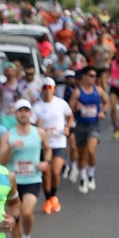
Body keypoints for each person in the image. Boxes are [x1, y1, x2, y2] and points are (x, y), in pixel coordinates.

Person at [0, 99, 48, 238]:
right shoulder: (8, 135)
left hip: (32, 180)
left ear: (30, 113)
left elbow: (47, 149)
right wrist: (11, 147)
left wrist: (45, 162)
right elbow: (2, 161)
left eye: (26, 110)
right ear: (16, 114)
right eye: (20, 110)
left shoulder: (39, 133)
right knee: (15, 218)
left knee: (27, 213)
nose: (23, 113)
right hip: (13, 182)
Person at [32, 76, 73, 214]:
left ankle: (53, 196)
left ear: (54, 89)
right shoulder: (37, 107)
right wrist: (37, 126)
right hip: (44, 145)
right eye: (45, 88)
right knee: (46, 174)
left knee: (56, 172)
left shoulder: (61, 103)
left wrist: (68, 127)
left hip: (59, 142)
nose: (48, 90)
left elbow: (70, 115)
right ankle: (49, 200)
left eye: (51, 88)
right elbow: (31, 124)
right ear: (42, 90)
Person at [68, 67, 105, 193]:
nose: (94, 78)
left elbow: (107, 102)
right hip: (81, 125)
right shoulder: (77, 92)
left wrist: (102, 112)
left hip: (94, 125)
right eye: (91, 75)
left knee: (91, 150)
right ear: (84, 77)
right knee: (82, 153)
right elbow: (69, 109)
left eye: (95, 76)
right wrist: (76, 108)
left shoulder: (98, 90)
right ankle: (83, 178)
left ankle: (91, 175)